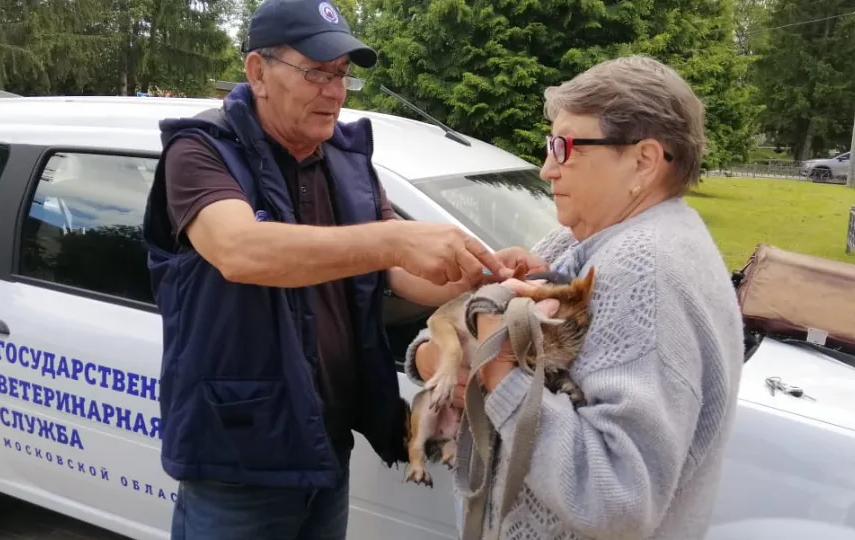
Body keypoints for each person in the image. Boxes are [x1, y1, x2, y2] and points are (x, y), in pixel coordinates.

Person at [140, 0, 542, 538]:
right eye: (316, 73)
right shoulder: (201, 151)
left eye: (342, 75)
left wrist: (477, 273)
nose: (334, 92)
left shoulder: (347, 161)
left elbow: (398, 272)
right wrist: (394, 239)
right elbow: (239, 250)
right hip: (237, 458)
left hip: (326, 447)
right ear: (257, 73)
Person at [405, 55, 745, 540]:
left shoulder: (645, 268)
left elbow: (615, 498)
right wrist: (444, 357)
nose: (547, 169)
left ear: (643, 161)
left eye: (565, 147)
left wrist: (496, 370)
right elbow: (440, 346)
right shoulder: (577, 239)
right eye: (550, 146)